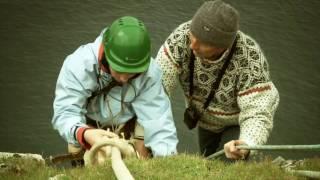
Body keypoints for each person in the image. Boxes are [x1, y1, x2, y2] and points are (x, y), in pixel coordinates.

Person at [155, 0, 279, 160]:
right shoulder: (181, 38)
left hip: (237, 124)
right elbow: (157, 86)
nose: (193, 45)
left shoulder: (250, 59)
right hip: (205, 121)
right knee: (207, 161)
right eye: (193, 35)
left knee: (227, 164)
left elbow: (258, 113)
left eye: (202, 43)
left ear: (223, 47)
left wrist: (246, 143)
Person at [52, 16, 178, 160]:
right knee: (77, 150)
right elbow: (65, 113)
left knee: (145, 147)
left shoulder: (150, 72)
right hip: (89, 124)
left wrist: (167, 161)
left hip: (128, 122)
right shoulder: (78, 65)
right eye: (119, 70)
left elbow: (159, 122)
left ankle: (142, 164)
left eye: (132, 73)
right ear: (106, 53)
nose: (124, 79)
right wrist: (85, 133)